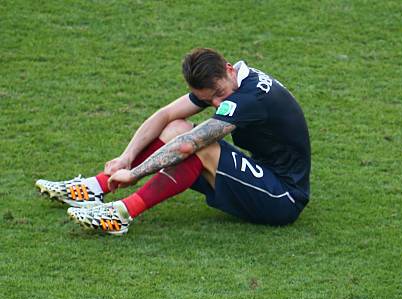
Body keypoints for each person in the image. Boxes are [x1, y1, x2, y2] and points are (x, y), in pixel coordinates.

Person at [35, 48, 311, 235]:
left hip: (283, 197)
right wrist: (125, 157)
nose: (216, 103)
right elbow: (166, 114)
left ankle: (121, 214)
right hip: (264, 174)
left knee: (200, 145)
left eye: (217, 94)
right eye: (207, 99)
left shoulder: (250, 98)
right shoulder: (231, 81)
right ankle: (96, 187)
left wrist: (134, 174)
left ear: (228, 69)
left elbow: (188, 145)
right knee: (177, 126)